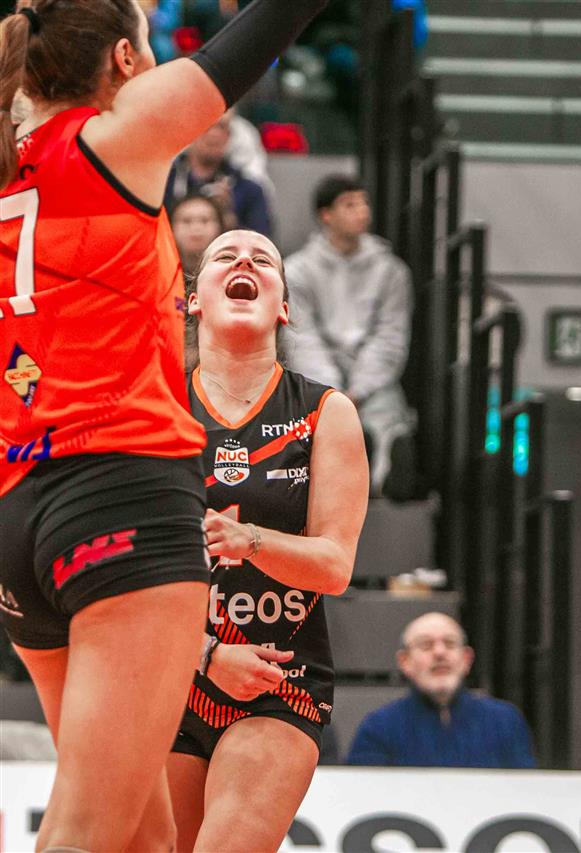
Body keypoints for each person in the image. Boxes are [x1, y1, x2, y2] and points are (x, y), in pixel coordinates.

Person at [0, 1, 326, 850]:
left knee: (143, 840)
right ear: (122, 59)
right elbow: (256, 36)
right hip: (120, 493)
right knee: (85, 834)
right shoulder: (113, 139)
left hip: (16, 510)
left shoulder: (8, 157)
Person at [166, 229, 367, 852]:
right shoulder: (160, 405)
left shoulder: (325, 412)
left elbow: (334, 565)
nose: (245, 262)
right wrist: (205, 655)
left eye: (263, 260)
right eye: (225, 256)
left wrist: (250, 538)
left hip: (279, 679)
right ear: (194, 300)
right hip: (170, 671)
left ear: (282, 306)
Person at [283, 174, 414, 494]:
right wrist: (335, 391)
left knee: (386, 416)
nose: (362, 211)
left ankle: (382, 478)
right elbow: (302, 338)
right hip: (319, 379)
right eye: (350, 204)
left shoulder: (392, 271)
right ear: (326, 215)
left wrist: (359, 388)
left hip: (373, 384)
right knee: (317, 417)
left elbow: (391, 335)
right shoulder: (296, 270)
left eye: (364, 202)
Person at [345, 612, 536, 769]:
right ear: (405, 661)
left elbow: (523, 792)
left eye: (450, 643)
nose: (439, 653)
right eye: (425, 645)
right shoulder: (378, 728)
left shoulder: (505, 722)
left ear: (467, 659)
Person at [165, 109, 273, 237]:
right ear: (190, 132)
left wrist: (228, 218)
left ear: (229, 135)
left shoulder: (249, 191)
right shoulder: (164, 184)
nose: (214, 134)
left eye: (221, 127)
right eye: (206, 126)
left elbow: (262, 242)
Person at [170, 192, 227, 277]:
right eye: (186, 221)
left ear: (220, 226)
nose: (196, 228)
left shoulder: (230, 271)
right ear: (171, 227)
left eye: (205, 220)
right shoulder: (161, 271)